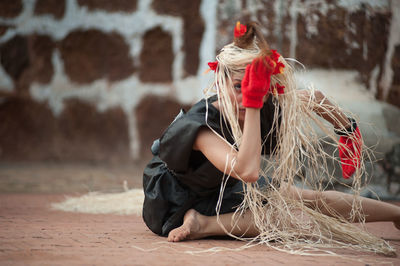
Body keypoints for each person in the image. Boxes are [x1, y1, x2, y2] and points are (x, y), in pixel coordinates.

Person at [142, 21, 400, 255]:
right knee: (282, 221)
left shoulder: (262, 101)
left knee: (304, 197)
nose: (244, 97)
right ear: (220, 82)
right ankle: (203, 224)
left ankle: (397, 214)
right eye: (237, 86)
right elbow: (248, 172)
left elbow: (315, 98)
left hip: (222, 187)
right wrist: (254, 104)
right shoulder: (200, 127)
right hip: (175, 200)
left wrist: (347, 131)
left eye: (254, 88)